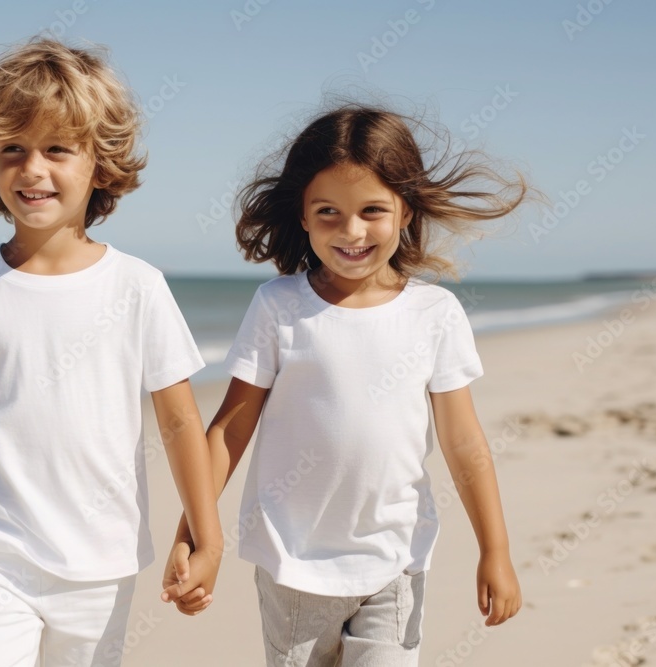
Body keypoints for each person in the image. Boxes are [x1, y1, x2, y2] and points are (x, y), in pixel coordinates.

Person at [163, 104, 527, 665]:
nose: (351, 231)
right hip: (294, 568)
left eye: (372, 210)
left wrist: (495, 550)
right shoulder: (280, 307)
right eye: (328, 211)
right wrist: (196, 537)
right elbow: (230, 431)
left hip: (396, 562)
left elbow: (463, 443)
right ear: (303, 216)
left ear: (405, 210)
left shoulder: (436, 313)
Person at [0, 37, 222, 666]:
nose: (33, 169)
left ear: (99, 165)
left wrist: (207, 539)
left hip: (100, 562)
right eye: (12, 149)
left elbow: (180, 420)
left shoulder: (137, 287)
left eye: (56, 149)